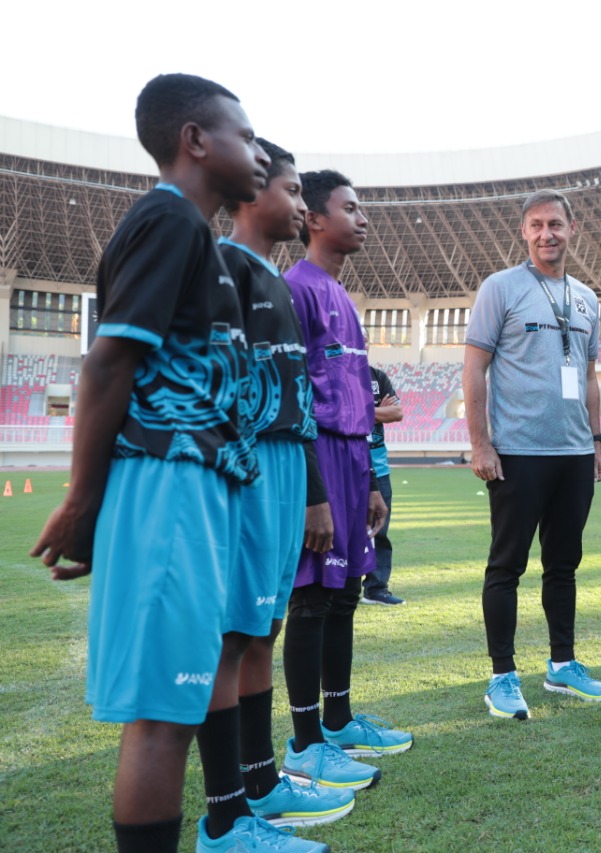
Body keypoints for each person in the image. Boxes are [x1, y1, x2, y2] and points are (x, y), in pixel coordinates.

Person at [27, 74, 313, 853]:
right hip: (167, 481)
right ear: (195, 140)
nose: (259, 154)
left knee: (179, 704)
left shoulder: (194, 237)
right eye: (245, 137)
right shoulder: (168, 220)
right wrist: (82, 503)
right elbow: (107, 363)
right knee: (162, 713)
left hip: (196, 484)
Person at [209, 139, 358, 841]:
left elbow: (293, 400)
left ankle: (262, 782)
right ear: (250, 190)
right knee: (233, 636)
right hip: (250, 468)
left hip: (286, 467)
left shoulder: (270, 279)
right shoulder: (223, 268)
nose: (300, 205)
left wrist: (309, 490)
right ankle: (225, 809)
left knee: (261, 629)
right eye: (292, 191)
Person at [281, 170, 411, 791]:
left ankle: (338, 721)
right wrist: (315, 492)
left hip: (356, 460)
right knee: (311, 597)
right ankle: (306, 743)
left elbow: (360, 399)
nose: (363, 219)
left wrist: (373, 482)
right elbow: (294, 397)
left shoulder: (342, 297)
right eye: (350, 208)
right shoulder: (297, 290)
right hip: (321, 459)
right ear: (314, 219)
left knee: (345, 594)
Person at [463, 189, 601, 720]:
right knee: (507, 565)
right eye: (536, 225)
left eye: (555, 223)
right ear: (524, 232)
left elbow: (589, 377)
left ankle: (562, 665)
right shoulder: (501, 287)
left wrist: (596, 440)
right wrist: (481, 442)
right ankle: (501, 676)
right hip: (518, 451)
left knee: (564, 565)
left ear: (573, 228)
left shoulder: (587, 298)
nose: (546, 233)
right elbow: (474, 368)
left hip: (573, 453)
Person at [362, 366, 405, 604]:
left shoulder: (378, 376)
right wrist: (379, 410)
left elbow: (397, 413)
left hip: (379, 469)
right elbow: (342, 413)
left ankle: (376, 588)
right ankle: (340, 584)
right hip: (346, 465)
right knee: (342, 529)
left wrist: (363, 411)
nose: (364, 346)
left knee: (380, 530)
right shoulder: (337, 371)